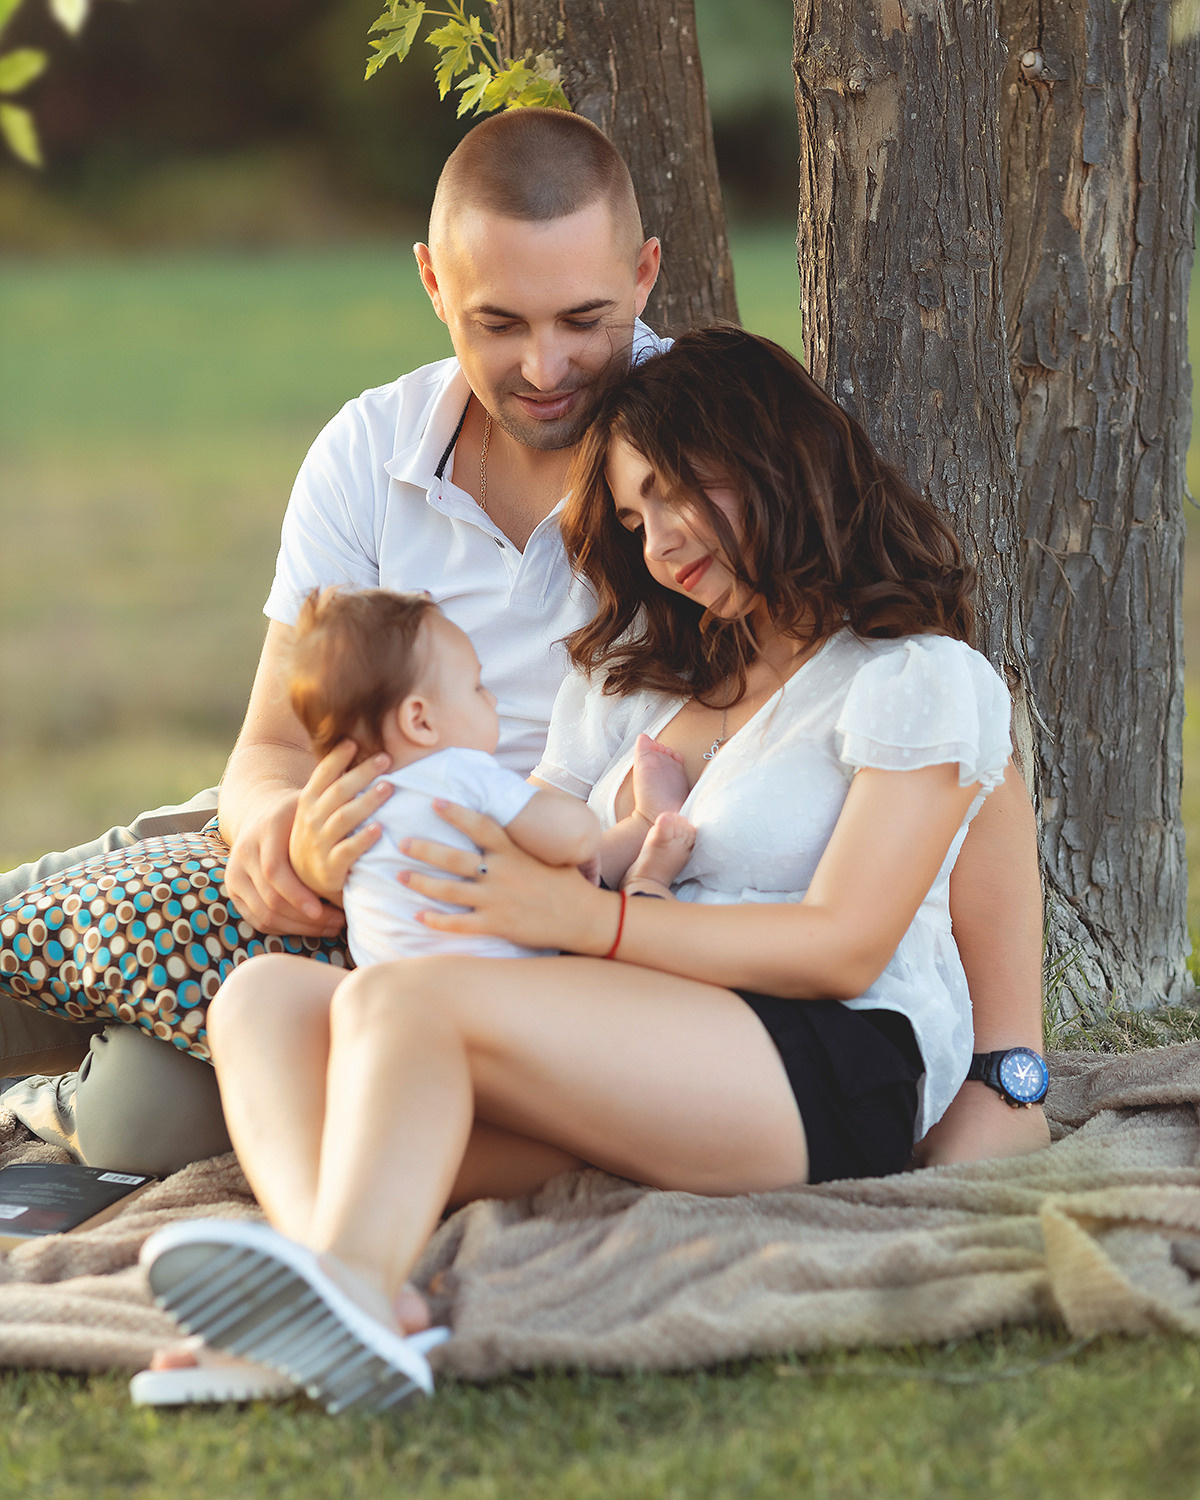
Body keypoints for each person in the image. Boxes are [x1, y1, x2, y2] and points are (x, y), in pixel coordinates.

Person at [1, 107, 1047, 1180]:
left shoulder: (713, 431)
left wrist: (1011, 1068)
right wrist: (289, 835)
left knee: (157, 1123)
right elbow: (272, 746)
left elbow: (958, 739)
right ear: (434, 286)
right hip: (404, 877)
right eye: (500, 324)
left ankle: (88, 1125)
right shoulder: (376, 458)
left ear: (643, 276)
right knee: (111, 956)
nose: (546, 366)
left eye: (581, 319)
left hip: (570, 935)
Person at [141, 327, 1033, 1413]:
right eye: (630, 516)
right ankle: (335, 1289)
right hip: (634, 1037)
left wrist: (578, 919)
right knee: (267, 999)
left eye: (673, 495)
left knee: (410, 1006)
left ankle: (350, 1292)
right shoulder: (637, 682)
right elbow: (530, 836)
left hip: (824, 1056)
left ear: (772, 459)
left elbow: (843, 942)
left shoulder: (915, 678)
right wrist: (366, 833)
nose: (656, 542)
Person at [286, 586, 600, 965]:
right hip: (493, 985)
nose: (493, 700)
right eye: (477, 687)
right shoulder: (458, 773)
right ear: (420, 721)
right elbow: (575, 838)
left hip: (382, 982)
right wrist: (588, 827)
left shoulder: (348, 804)